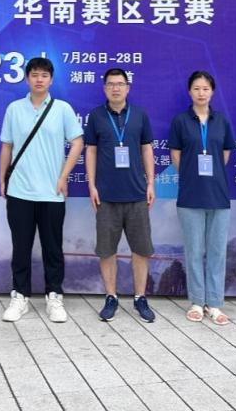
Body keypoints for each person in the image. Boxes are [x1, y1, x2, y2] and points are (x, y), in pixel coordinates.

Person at [0, 57, 84, 324]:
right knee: (20, 248)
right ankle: (20, 296)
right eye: (34, 75)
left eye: (44, 75)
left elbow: (78, 142)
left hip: (51, 192)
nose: (39, 79)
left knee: (52, 248)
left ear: (51, 80)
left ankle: (54, 296)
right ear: (27, 79)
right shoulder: (14, 109)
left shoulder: (62, 109)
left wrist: (63, 176)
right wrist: (2, 179)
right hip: (19, 190)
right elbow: (7, 146)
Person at [83, 68, 156, 323]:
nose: (116, 88)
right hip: (106, 196)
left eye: (120, 84)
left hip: (136, 194)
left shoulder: (140, 115)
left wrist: (151, 183)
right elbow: (91, 151)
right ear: (105, 88)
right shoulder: (96, 116)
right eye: (111, 84)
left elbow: (146, 149)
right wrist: (92, 185)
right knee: (106, 250)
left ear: (128, 87)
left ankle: (140, 297)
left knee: (141, 249)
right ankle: (111, 296)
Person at [169, 70, 235, 325]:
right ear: (189, 92)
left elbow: (225, 154)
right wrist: (191, 175)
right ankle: (197, 301)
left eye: (205, 88)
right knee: (194, 251)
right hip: (190, 195)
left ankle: (215, 303)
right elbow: (176, 155)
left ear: (212, 92)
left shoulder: (222, 121)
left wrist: (212, 173)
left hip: (218, 195)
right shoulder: (180, 121)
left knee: (217, 251)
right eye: (196, 88)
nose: (201, 93)